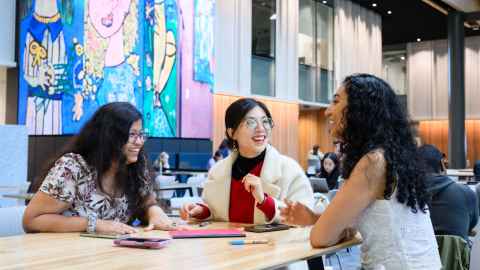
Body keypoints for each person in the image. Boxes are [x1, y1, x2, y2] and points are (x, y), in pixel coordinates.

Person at [281, 74, 441, 270]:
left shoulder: (373, 162)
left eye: (336, 101)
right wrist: (313, 219)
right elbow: (349, 227)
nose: (327, 111)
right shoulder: (389, 155)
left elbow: (320, 238)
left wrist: (317, 224)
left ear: (360, 109)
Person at [23, 102, 178, 234]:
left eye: (141, 134)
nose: (139, 142)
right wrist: (95, 224)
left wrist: (154, 212)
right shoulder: (73, 167)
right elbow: (32, 220)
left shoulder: (136, 165)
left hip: (110, 256)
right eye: (132, 135)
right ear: (109, 136)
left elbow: (145, 203)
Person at [180, 98, 314, 224]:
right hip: (226, 247)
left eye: (265, 121)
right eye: (250, 122)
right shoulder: (218, 171)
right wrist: (202, 211)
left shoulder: (289, 169)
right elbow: (216, 210)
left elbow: (305, 219)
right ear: (232, 133)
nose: (261, 129)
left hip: (273, 247)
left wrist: (265, 201)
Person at [418, 144, 478, 242]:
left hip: (421, 255)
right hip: (456, 256)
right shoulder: (467, 193)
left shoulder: (405, 197)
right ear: (442, 164)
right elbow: (471, 224)